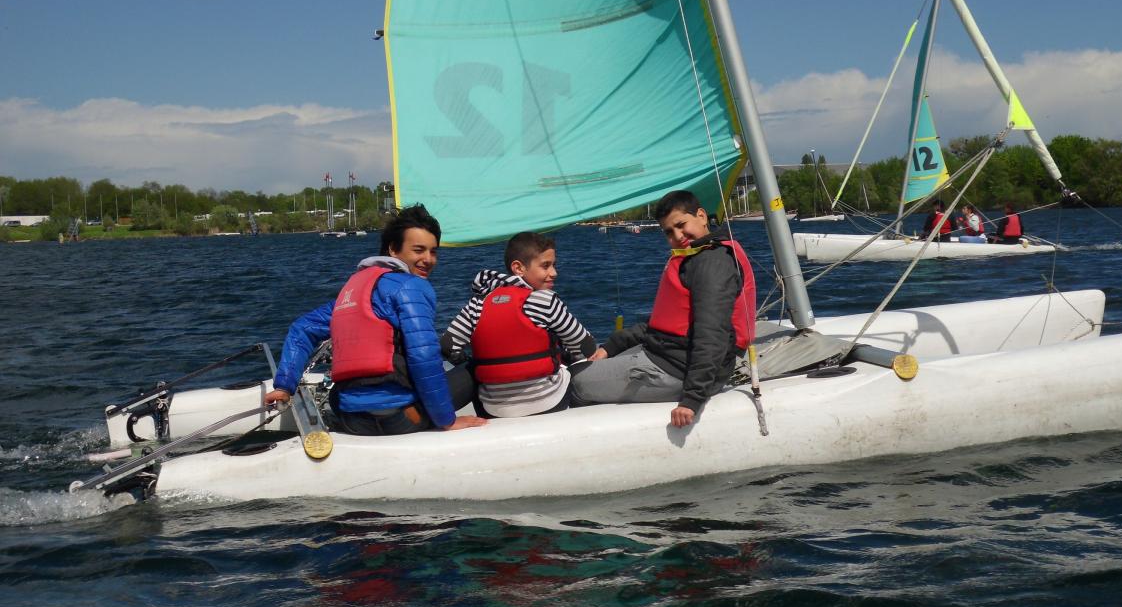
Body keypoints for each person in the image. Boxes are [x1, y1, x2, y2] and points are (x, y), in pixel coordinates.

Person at [263, 205, 486, 435]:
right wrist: (447, 420)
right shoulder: (412, 286)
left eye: (433, 251)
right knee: (478, 367)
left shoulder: (354, 290)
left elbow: (303, 328)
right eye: (419, 250)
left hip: (351, 420)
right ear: (393, 249)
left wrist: (284, 386)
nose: (428, 259)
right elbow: (423, 356)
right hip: (400, 420)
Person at [571, 189, 756, 428]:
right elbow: (662, 324)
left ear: (701, 216)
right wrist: (611, 347)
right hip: (665, 356)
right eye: (669, 231)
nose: (678, 236)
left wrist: (692, 399)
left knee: (575, 381)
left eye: (681, 225)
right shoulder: (695, 257)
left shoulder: (712, 263)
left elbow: (713, 333)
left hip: (678, 371)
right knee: (586, 363)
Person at [441, 231, 597, 418]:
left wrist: (478, 363)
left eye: (554, 265)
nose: (554, 273)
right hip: (549, 402)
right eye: (545, 266)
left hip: (493, 410)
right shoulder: (545, 301)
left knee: (476, 369)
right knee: (573, 368)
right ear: (518, 268)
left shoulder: (478, 303)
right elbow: (586, 346)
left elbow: (447, 346)